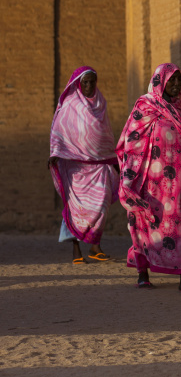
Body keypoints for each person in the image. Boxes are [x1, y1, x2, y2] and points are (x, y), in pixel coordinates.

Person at [116, 62, 181, 292]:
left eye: (178, 80)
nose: (175, 85)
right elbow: (130, 141)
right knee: (144, 226)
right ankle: (142, 273)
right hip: (148, 183)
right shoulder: (145, 107)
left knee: (179, 226)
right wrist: (131, 177)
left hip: (175, 185)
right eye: (171, 80)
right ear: (160, 81)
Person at [49, 66, 119, 263]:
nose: (89, 86)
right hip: (75, 167)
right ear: (79, 83)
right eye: (85, 82)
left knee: (102, 204)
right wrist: (55, 152)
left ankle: (95, 246)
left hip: (99, 165)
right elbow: (59, 130)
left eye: (92, 82)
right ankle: (76, 249)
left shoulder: (101, 102)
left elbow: (106, 133)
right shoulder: (70, 104)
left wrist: (112, 158)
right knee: (77, 208)